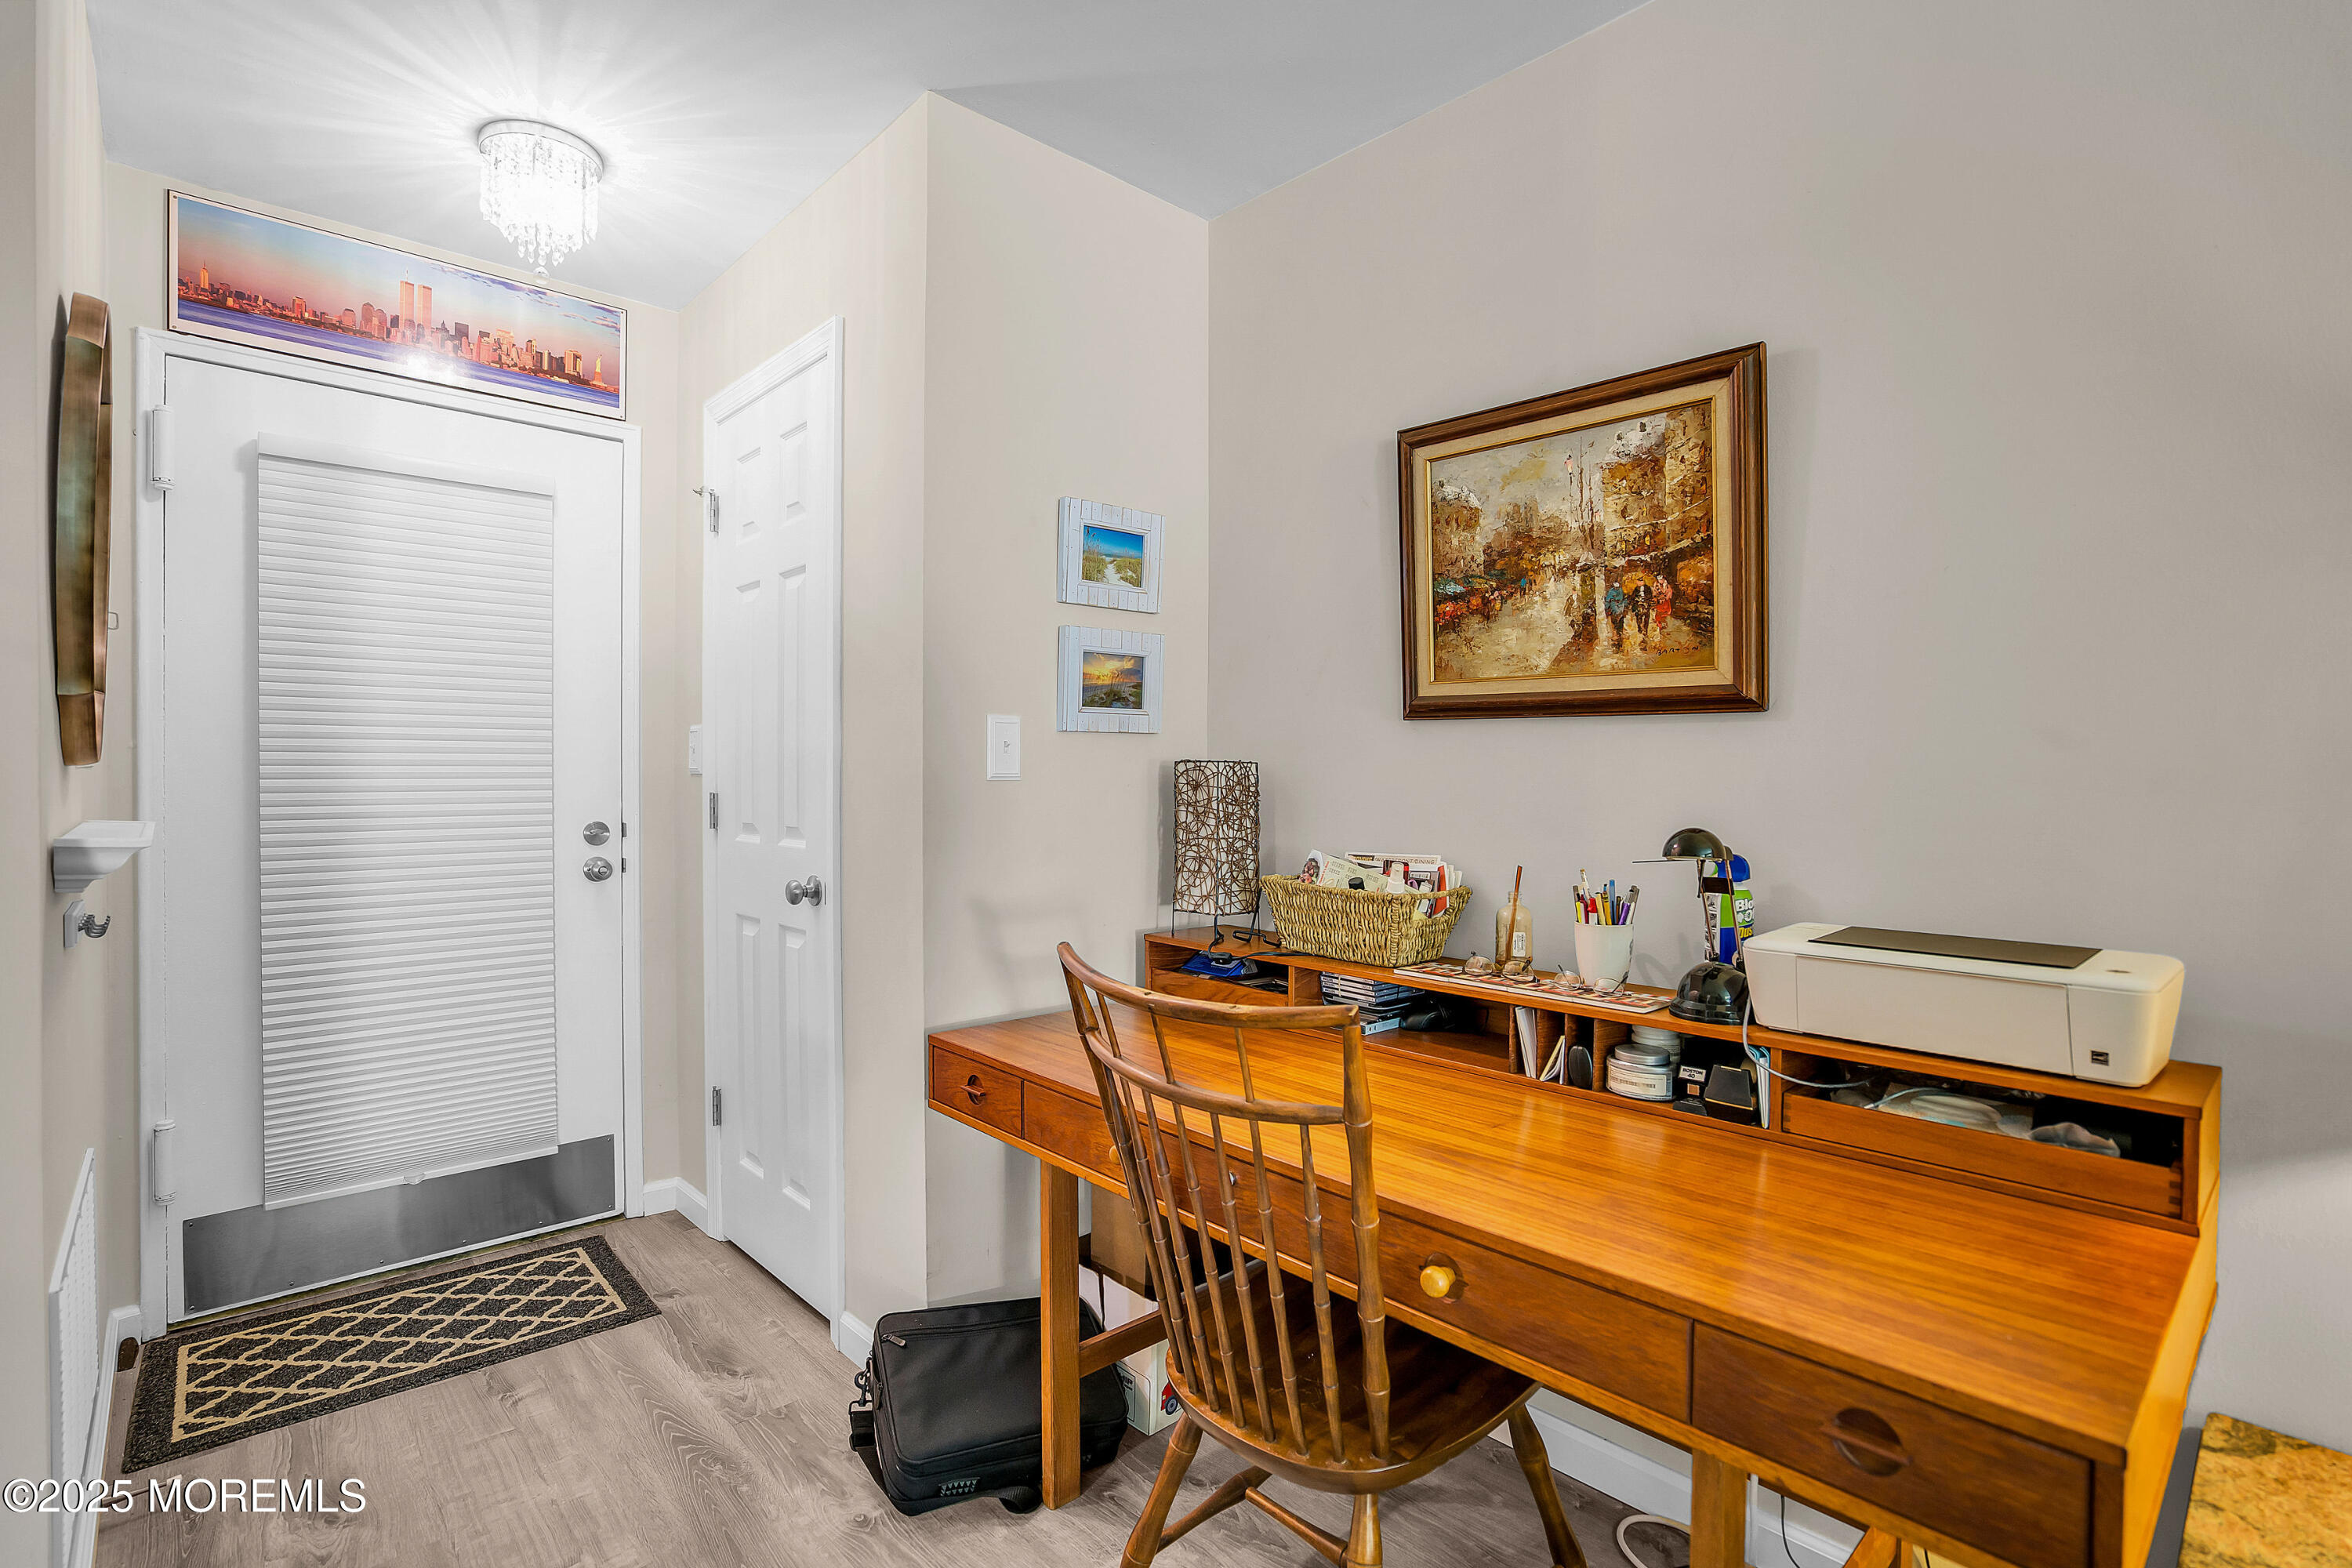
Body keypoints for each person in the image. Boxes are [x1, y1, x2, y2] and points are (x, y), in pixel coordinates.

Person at [1604, 579, 1626, 643]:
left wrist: (1625, 604)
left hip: (1620, 606)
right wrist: (1607, 607)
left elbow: (1624, 598)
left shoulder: (1621, 590)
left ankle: (1619, 633)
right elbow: (1608, 600)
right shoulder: (1611, 591)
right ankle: (1615, 634)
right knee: (1614, 621)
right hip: (1614, 606)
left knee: (1620, 619)